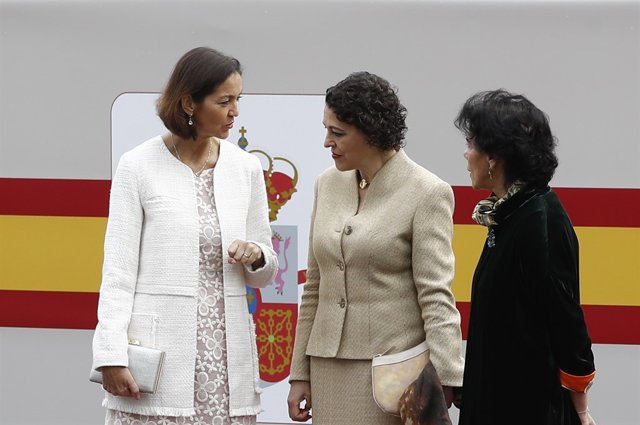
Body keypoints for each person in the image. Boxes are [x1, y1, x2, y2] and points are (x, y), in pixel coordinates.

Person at [91, 47, 277, 425]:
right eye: (224, 101)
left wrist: (256, 254)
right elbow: (118, 272)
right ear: (189, 103)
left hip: (225, 361)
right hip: (157, 358)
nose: (235, 112)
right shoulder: (137, 165)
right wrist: (110, 355)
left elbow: (265, 270)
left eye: (238, 100)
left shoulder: (245, 168)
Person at [287, 71, 465, 424]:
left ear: (371, 132)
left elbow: (435, 294)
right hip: (326, 367)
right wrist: (299, 373)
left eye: (337, 133)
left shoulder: (428, 192)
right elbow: (315, 287)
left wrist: (448, 375)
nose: (326, 142)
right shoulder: (326, 184)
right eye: (326, 130)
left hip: (393, 372)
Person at [454, 89, 597, 425]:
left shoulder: (539, 219)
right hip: (497, 397)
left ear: (494, 156)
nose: (465, 154)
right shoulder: (508, 213)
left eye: (471, 143)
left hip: (524, 405)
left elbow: (566, 322)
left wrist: (580, 409)